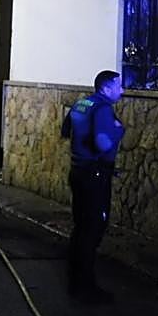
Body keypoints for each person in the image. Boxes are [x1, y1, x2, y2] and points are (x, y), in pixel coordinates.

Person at [61, 70, 125, 303]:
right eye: (119, 86)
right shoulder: (102, 109)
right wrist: (118, 130)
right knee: (93, 229)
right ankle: (85, 286)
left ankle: (74, 278)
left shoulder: (82, 103)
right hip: (95, 174)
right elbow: (103, 143)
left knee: (80, 227)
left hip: (78, 171)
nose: (122, 90)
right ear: (107, 88)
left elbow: (66, 130)